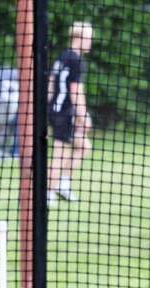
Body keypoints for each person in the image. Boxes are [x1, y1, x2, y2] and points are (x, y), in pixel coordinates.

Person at [47, 21, 93, 207]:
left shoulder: (63, 56)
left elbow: (51, 82)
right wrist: (83, 116)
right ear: (78, 38)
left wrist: (48, 107)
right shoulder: (76, 60)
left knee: (83, 146)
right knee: (61, 152)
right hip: (64, 113)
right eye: (88, 38)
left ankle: (63, 183)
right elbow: (75, 92)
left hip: (55, 110)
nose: (90, 42)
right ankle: (48, 192)